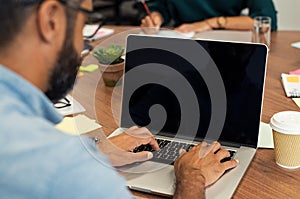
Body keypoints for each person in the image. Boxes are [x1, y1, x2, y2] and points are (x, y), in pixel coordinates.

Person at [0, 0, 238, 198]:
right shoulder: (69, 174)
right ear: (51, 20)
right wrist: (191, 179)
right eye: (85, 24)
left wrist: (94, 148)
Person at [141, 0, 277, 33]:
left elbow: (266, 21)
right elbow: (160, 5)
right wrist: (156, 16)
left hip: (228, 43)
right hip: (182, 39)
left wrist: (212, 23)